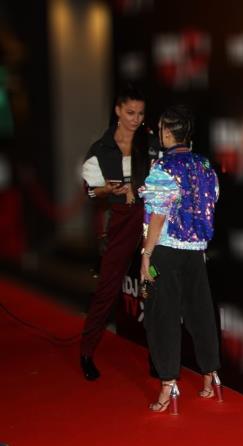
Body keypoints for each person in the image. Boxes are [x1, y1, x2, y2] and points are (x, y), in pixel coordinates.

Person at [139, 105, 222, 414]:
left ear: (166, 132)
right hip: (196, 252)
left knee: (163, 317)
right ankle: (211, 376)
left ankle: (168, 385)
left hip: (165, 251)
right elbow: (212, 201)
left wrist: (146, 254)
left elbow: (158, 216)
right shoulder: (205, 166)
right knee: (201, 314)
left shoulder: (163, 168)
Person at [79, 84, 158, 380]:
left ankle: (158, 357)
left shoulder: (150, 141)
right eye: (130, 113)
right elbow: (89, 192)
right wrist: (106, 190)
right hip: (121, 221)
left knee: (152, 288)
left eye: (140, 113)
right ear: (117, 111)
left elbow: (165, 179)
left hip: (150, 220)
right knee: (107, 288)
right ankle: (86, 352)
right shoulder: (101, 149)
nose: (136, 119)